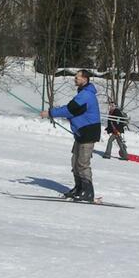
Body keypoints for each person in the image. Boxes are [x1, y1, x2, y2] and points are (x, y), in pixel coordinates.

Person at [40, 69, 101, 202]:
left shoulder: (86, 95)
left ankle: (88, 192)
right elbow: (74, 111)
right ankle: (78, 187)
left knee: (82, 163)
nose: (75, 78)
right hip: (81, 133)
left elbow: (70, 109)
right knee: (75, 162)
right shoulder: (83, 93)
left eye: (77, 77)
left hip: (88, 132)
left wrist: (50, 113)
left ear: (85, 79)